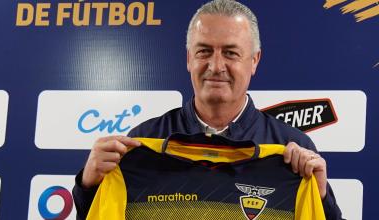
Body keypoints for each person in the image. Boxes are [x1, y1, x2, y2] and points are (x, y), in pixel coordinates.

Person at [73, 0, 343, 219]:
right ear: (189, 58)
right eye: (204, 51)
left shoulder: (292, 150)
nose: (216, 66)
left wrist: (319, 196)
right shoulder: (141, 143)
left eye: (230, 53)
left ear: (254, 61)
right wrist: (88, 186)